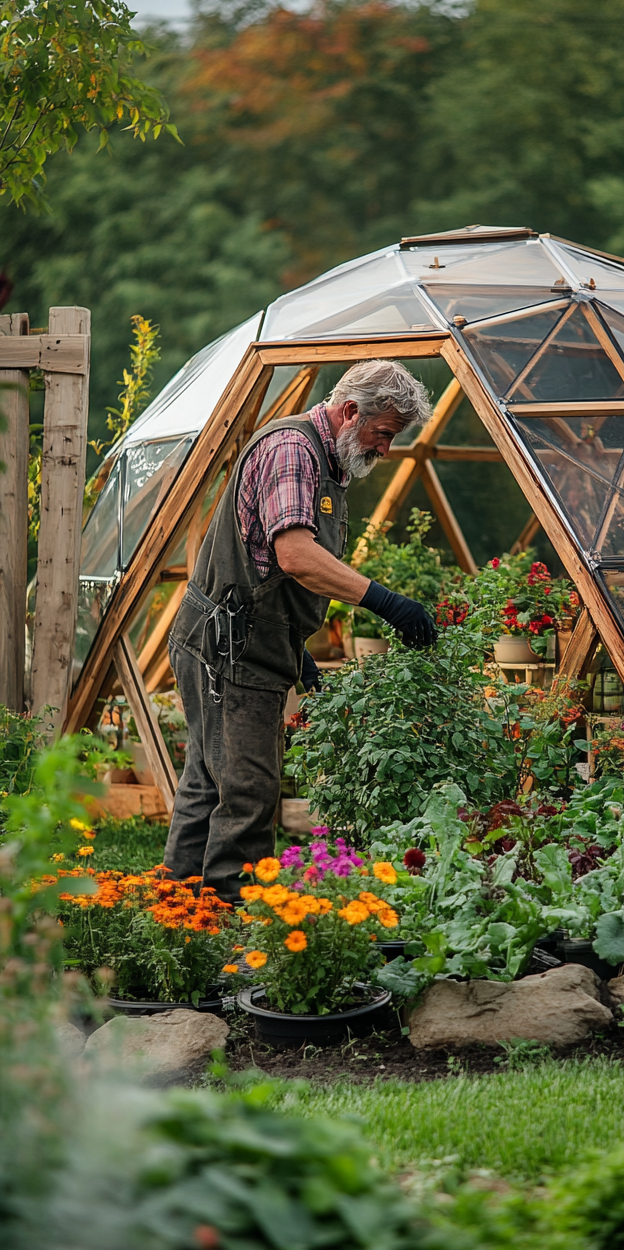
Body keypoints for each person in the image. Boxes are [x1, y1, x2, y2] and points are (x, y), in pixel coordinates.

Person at [162, 359, 437, 902]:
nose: (386, 449)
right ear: (351, 411)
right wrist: (389, 604)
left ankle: (180, 911)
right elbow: (294, 555)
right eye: (384, 433)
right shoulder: (293, 450)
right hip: (229, 646)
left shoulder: (327, 462)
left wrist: (298, 650)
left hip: (243, 639)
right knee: (248, 788)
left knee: (208, 780)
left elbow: (267, 567)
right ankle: (233, 909)